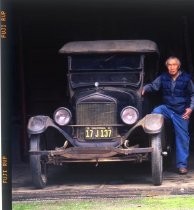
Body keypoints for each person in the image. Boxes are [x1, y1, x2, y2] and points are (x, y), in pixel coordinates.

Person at [142, 56, 194, 174]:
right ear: (167, 67)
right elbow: (153, 86)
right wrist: (144, 88)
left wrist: (190, 109)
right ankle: (158, 143)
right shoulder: (163, 77)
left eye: (174, 65)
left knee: (182, 138)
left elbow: (193, 95)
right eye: (169, 65)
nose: (172, 67)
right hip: (167, 108)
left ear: (178, 66)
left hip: (181, 111)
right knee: (154, 114)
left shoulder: (186, 78)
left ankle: (182, 165)